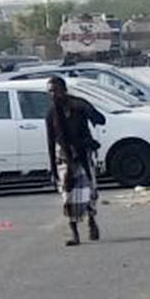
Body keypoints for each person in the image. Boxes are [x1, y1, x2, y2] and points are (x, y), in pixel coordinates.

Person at [44, 76, 105, 246]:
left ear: (64, 90)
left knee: (89, 193)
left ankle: (91, 221)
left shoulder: (78, 106)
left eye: (55, 91)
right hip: (63, 158)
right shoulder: (51, 114)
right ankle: (74, 233)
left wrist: (87, 110)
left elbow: (100, 119)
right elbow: (50, 141)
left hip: (82, 155)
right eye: (50, 92)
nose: (53, 95)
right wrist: (53, 170)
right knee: (68, 196)